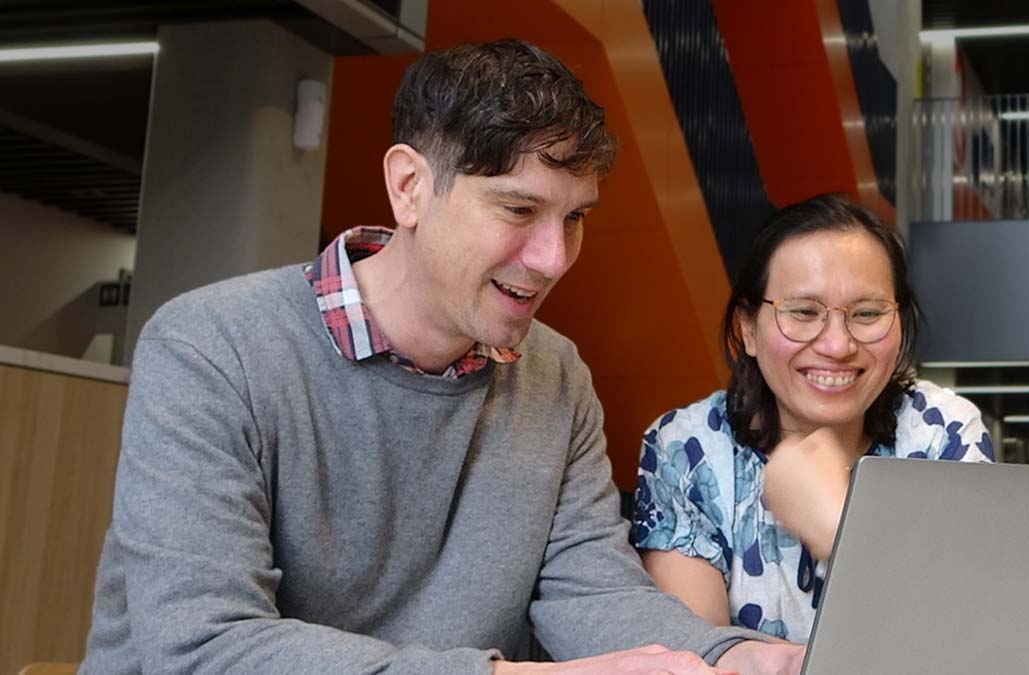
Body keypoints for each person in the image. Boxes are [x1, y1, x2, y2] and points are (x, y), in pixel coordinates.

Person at [79, 39, 806, 674]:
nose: (553, 258)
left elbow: (593, 591)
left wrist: (734, 655)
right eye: (519, 210)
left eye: (575, 217)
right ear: (409, 187)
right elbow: (205, 649)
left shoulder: (556, 375)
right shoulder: (212, 347)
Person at [633, 195, 995, 643]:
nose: (838, 345)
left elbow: (967, 640)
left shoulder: (943, 433)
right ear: (746, 329)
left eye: (866, 313)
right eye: (804, 312)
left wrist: (836, 526)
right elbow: (695, 657)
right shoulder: (688, 450)